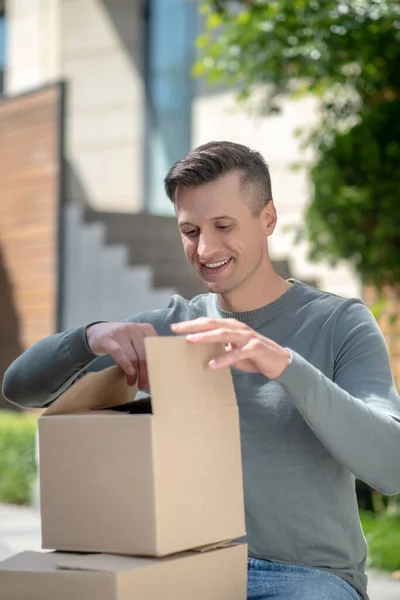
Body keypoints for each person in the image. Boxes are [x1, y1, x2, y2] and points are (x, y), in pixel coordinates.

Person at [3, 141, 400, 600]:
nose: (205, 248)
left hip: (307, 578)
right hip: (187, 570)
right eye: (190, 230)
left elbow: (390, 467)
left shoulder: (339, 323)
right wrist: (88, 338)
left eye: (223, 226)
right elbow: (21, 388)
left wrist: (286, 366)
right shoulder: (171, 327)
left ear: (268, 218)